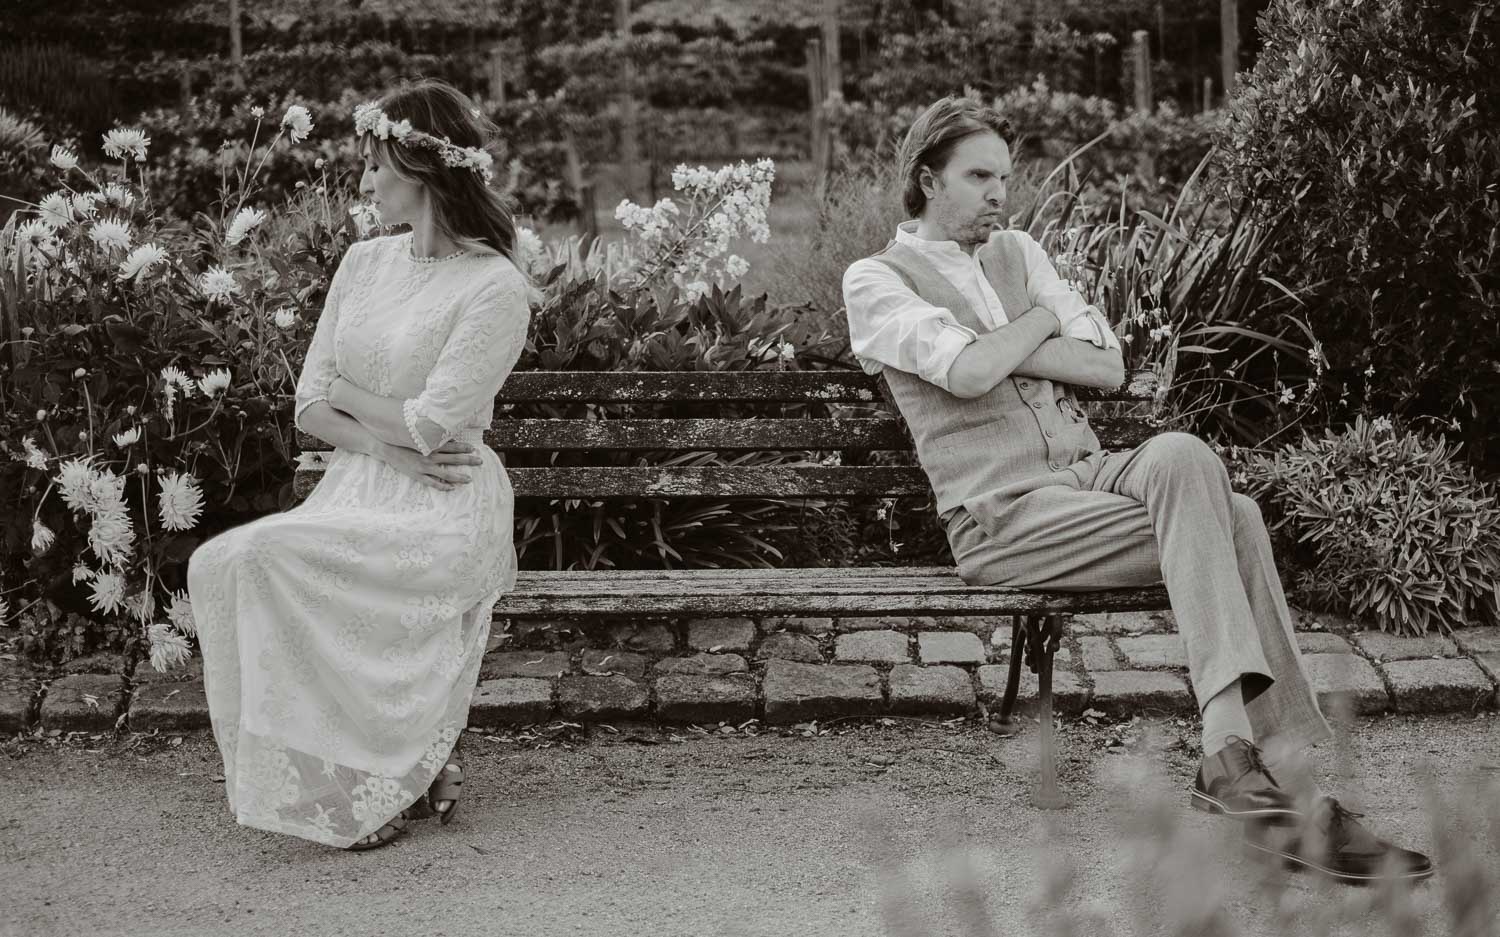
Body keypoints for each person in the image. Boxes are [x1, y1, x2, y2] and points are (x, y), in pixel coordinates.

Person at [841, 95, 1432, 885]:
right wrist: (1042, 330)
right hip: (1001, 515)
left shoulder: (1018, 250)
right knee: (1239, 519)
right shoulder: (876, 280)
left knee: (1187, 456)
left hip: (1084, 473)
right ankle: (1283, 782)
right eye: (979, 176)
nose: (999, 194)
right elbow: (972, 372)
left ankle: (1237, 760)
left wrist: (1010, 340)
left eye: (1005, 177)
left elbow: (1108, 364)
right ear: (927, 179)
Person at [186, 79, 530, 851]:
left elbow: (435, 426)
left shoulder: (495, 287)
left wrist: (356, 399)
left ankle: (397, 766)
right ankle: (397, 756)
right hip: (363, 483)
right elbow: (310, 404)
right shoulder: (363, 263)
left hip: (447, 503)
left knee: (272, 555)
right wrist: (375, 439)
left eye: (376, 166)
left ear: (423, 168)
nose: (365, 183)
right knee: (227, 559)